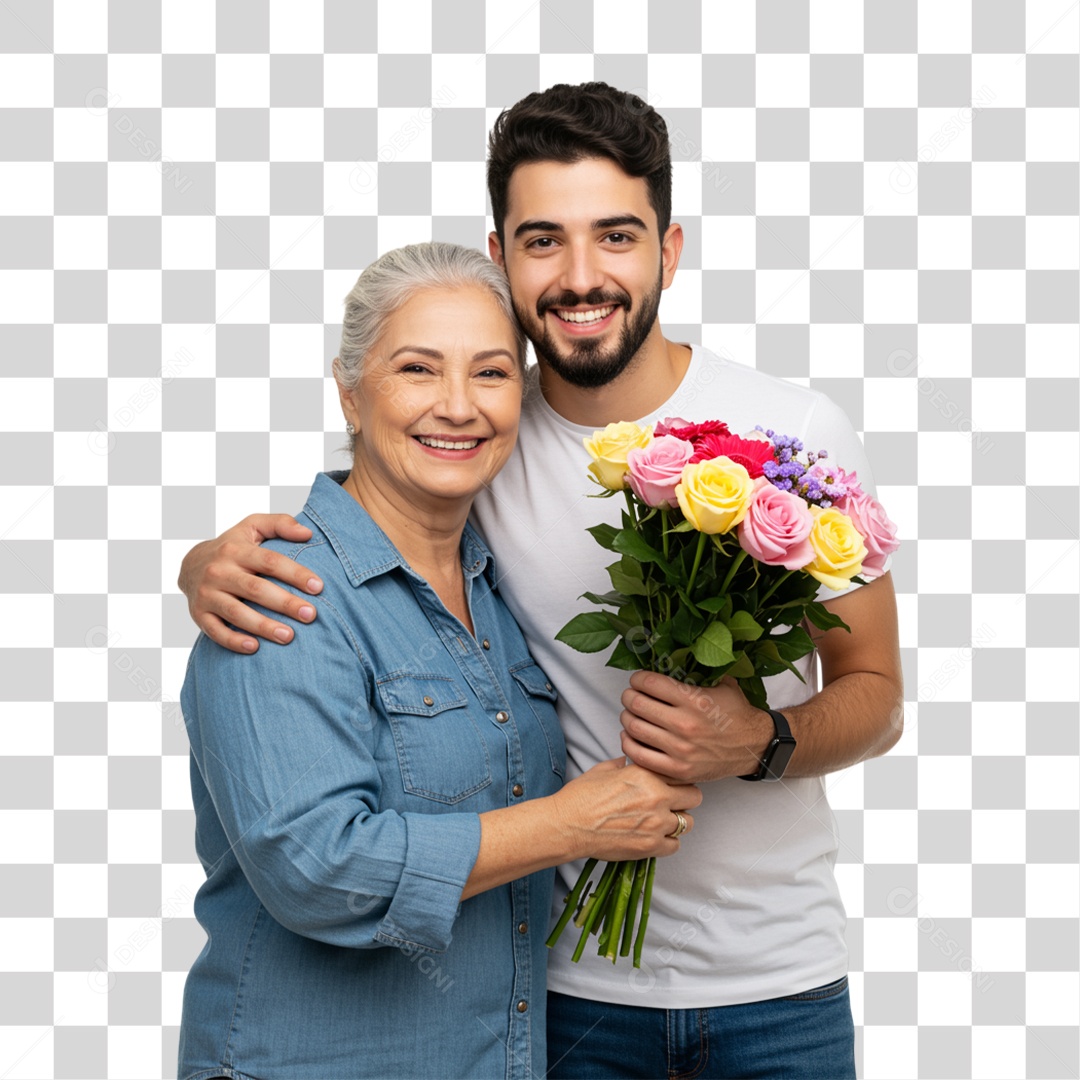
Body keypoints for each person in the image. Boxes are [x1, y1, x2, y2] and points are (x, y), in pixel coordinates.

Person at [179, 85, 903, 1079]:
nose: (580, 275)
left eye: (615, 235)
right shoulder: (480, 446)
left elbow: (877, 692)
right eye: (542, 241)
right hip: (564, 995)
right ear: (503, 255)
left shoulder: (794, 439)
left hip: (779, 984)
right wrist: (206, 565)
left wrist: (761, 740)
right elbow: (362, 530)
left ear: (669, 249)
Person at [177, 241, 700, 1080]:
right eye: (419, 369)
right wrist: (571, 825)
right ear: (350, 392)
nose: (458, 406)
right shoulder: (281, 595)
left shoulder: (500, 588)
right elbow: (319, 868)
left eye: (492, 374)